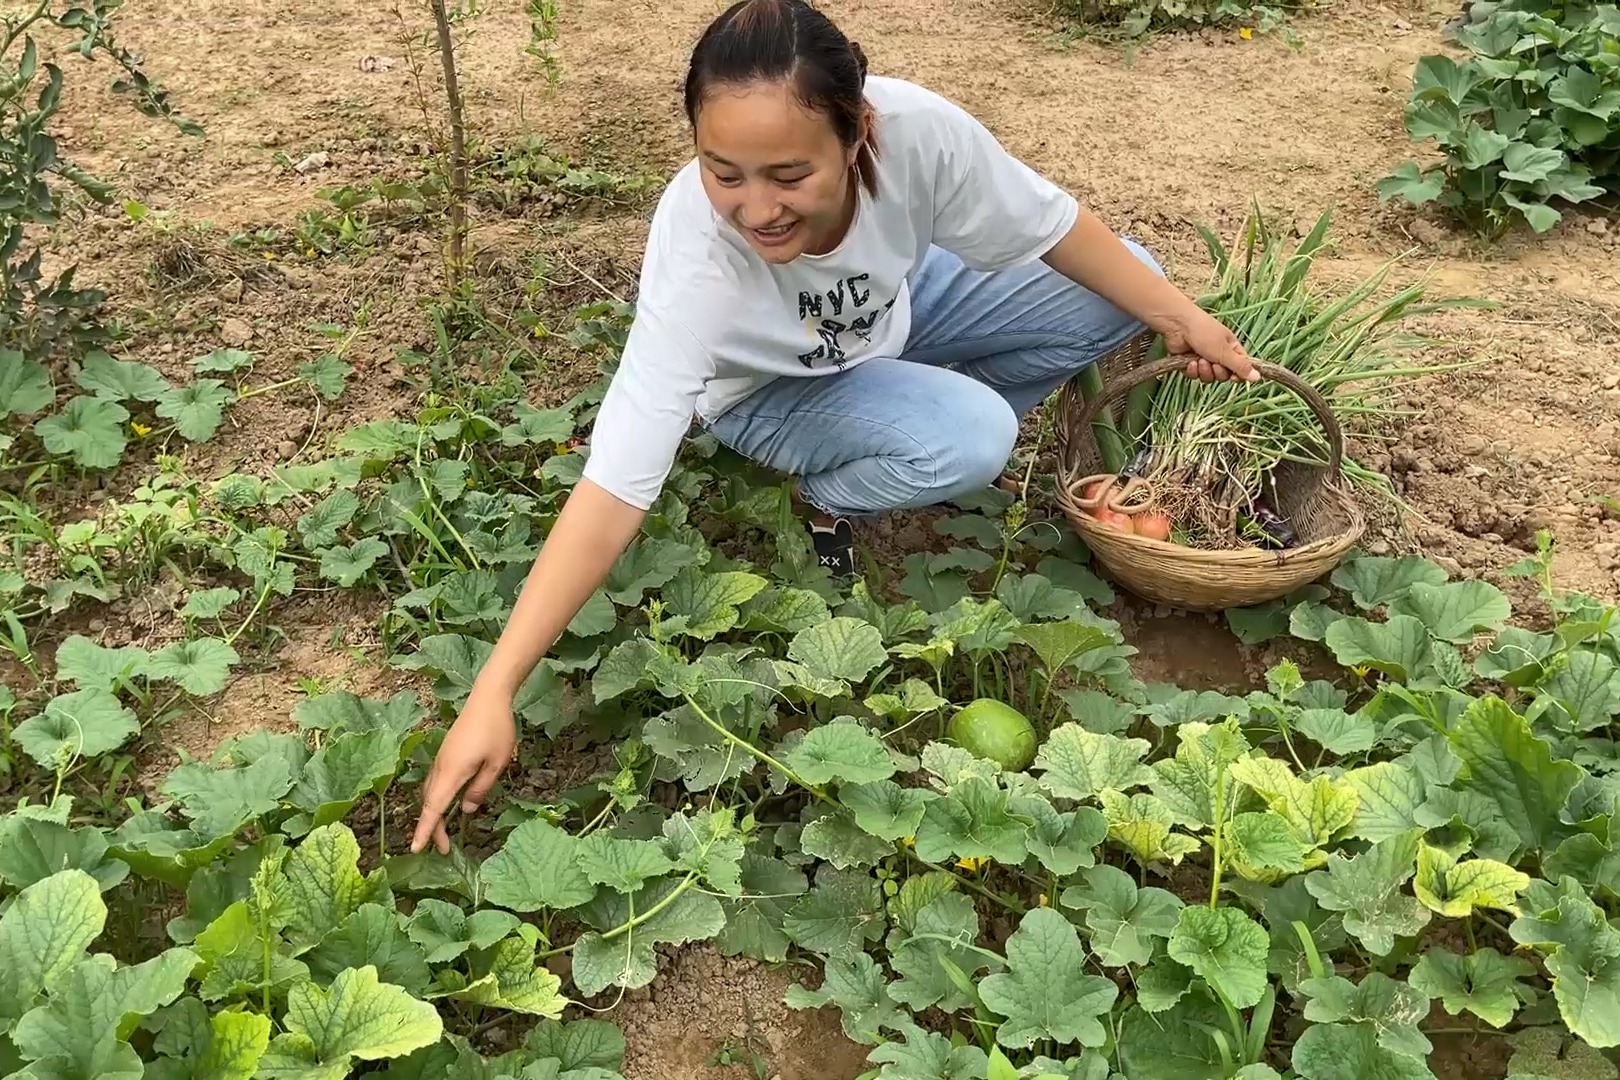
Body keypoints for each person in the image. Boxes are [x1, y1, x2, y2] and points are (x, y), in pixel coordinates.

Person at [408, 0, 1258, 855]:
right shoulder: (699, 255)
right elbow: (617, 480)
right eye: (723, 171)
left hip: (891, 314)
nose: (756, 207)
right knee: (973, 437)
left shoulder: (920, 134)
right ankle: (834, 486)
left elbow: (1052, 226)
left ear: (858, 135)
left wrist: (1184, 318)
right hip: (769, 391)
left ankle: (911, 409)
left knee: (1128, 281)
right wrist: (495, 687)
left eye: (788, 174)